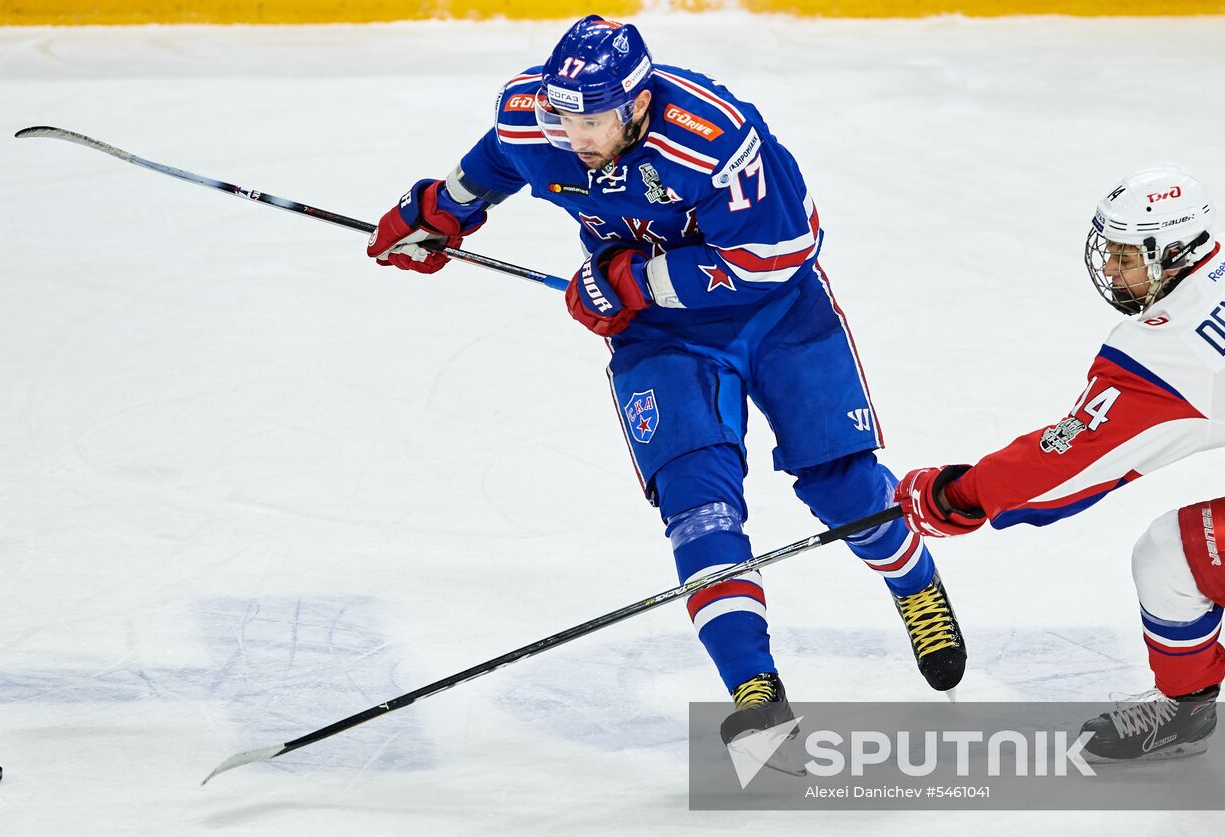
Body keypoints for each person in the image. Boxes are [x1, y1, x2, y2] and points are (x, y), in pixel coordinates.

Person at [366, 15, 966, 743]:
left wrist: (630, 279)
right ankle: (753, 685)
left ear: (638, 104)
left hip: (777, 313)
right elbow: (497, 158)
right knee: (696, 503)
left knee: (840, 483)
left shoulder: (713, 134)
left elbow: (775, 255)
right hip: (659, 335)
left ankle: (915, 586)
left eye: (593, 121)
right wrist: (438, 212)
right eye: (564, 115)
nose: (575, 136)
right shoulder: (536, 120)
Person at [894, 163, 1225, 762]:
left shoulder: (1169, 348)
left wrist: (955, 497)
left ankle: (1184, 709)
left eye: (1127, 258)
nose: (1109, 269)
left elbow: (1067, 464)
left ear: (1175, 252)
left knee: (1170, 558)